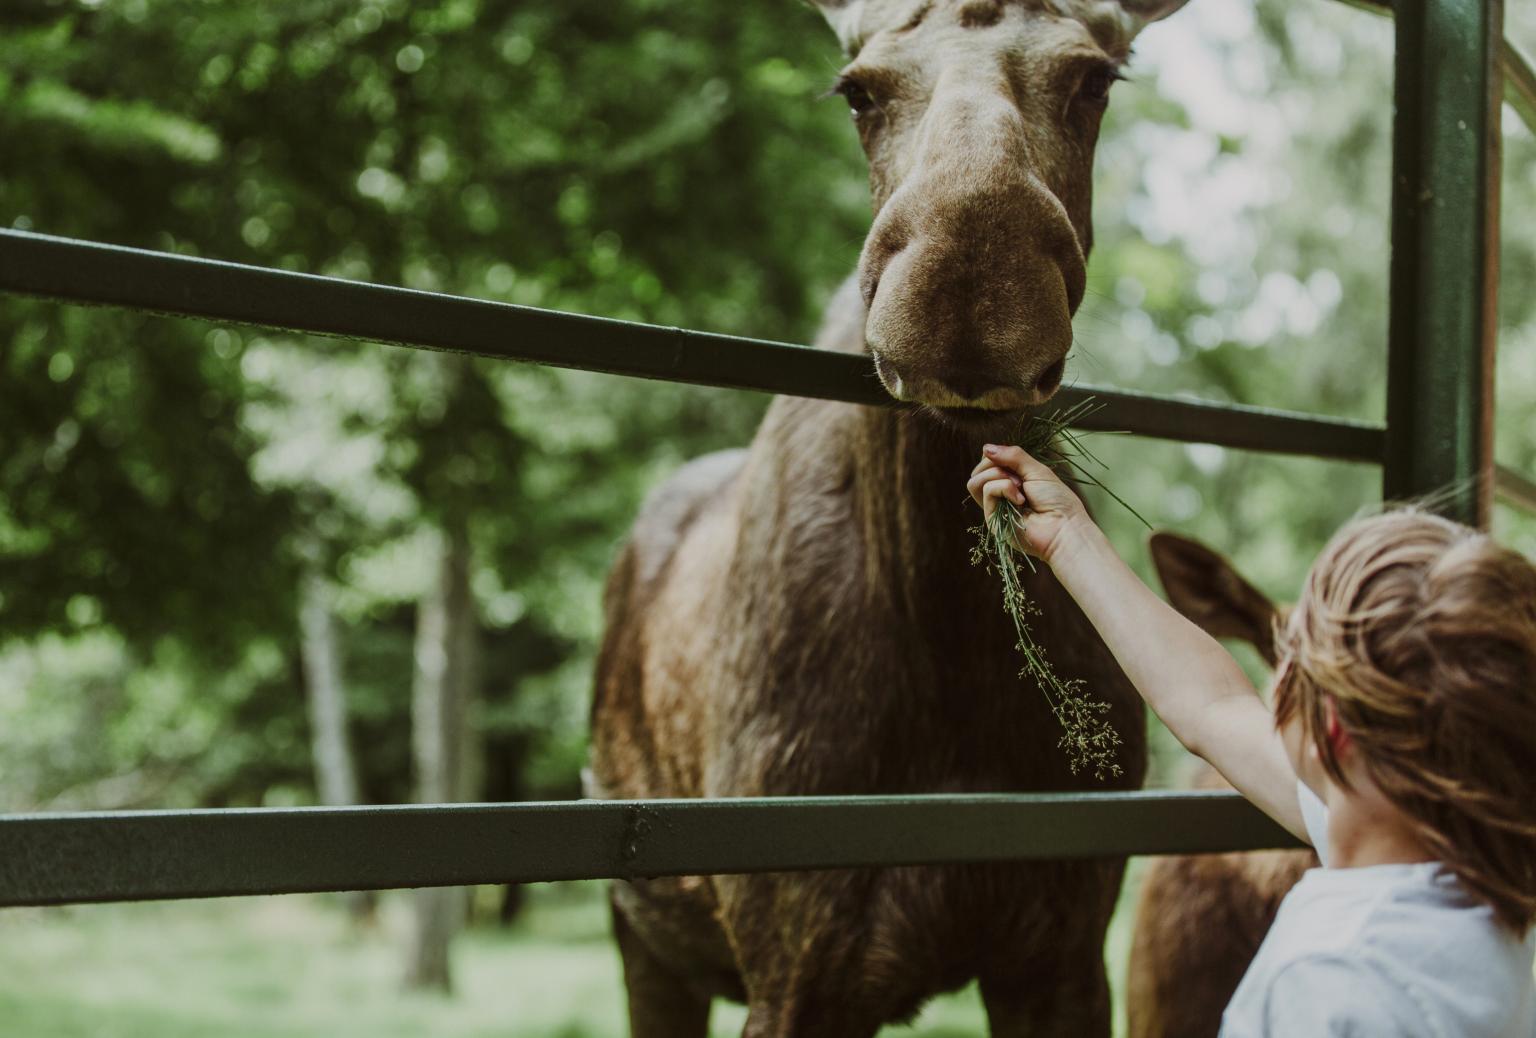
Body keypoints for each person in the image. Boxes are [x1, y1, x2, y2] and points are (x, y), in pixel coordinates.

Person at [967, 443, 1536, 1037]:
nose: (1278, 672)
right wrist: (1069, 538)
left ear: (1331, 728)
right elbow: (1211, 705)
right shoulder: (1470, 880)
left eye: (1297, 656)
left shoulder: (1329, 981)